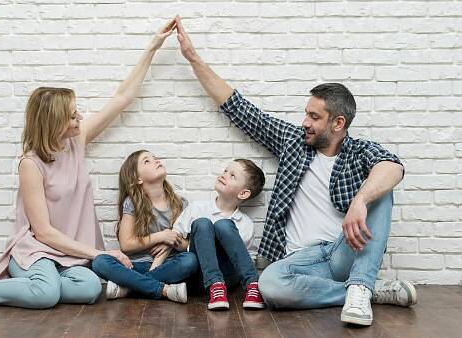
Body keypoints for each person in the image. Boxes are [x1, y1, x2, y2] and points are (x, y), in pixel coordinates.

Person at [174, 16, 416, 326]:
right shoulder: (293, 142)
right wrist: (193, 58)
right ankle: (365, 290)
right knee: (270, 285)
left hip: (344, 252)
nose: (305, 122)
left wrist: (360, 200)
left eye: (314, 117)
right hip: (301, 261)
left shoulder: (358, 152)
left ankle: (359, 284)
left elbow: (393, 167)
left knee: (382, 191)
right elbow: (240, 109)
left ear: (338, 123)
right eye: (306, 113)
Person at [0, 19, 177, 310]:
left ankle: (40, 286)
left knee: (91, 288)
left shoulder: (76, 141)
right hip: (38, 251)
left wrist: (152, 48)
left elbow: (122, 98)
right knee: (46, 295)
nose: (80, 118)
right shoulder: (31, 164)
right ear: (54, 122)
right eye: (72, 115)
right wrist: (98, 254)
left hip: (72, 254)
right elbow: (43, 232)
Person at [91, 150, 198, 303]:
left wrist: (173, 240)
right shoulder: (132, 203)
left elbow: (188, 246)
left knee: (190, 260)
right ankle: (164, 290)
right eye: (147, 161)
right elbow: (126, 245)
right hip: (137, 266)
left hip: (168, 266)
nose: (156, 160)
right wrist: (161, 236)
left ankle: (130, 287)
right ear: (138, 179)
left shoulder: (181, 203)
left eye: (154, 157)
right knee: (99, 261)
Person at [169, 159, 266, 310]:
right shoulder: (197, 208)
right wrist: (189, 245)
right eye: (226, 171)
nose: (224, 175)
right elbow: (174, 236)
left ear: (243, 193)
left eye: (232, 175)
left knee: (224, 224)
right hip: (198, 276)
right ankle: (215, 284)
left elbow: (248, 258)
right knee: (203, 223)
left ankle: (252, 285)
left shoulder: (245, 223)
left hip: (228, 278)